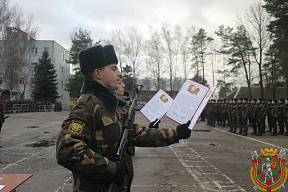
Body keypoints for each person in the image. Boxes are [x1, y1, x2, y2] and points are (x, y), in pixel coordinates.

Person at [56, 44, 191, 192]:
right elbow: (67, 150)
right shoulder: (87, 106)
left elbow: (136, 135)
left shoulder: (114, 107)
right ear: (98, 73)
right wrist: (111, 169)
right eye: (113, 68)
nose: (119, 73)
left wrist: (176, 133)